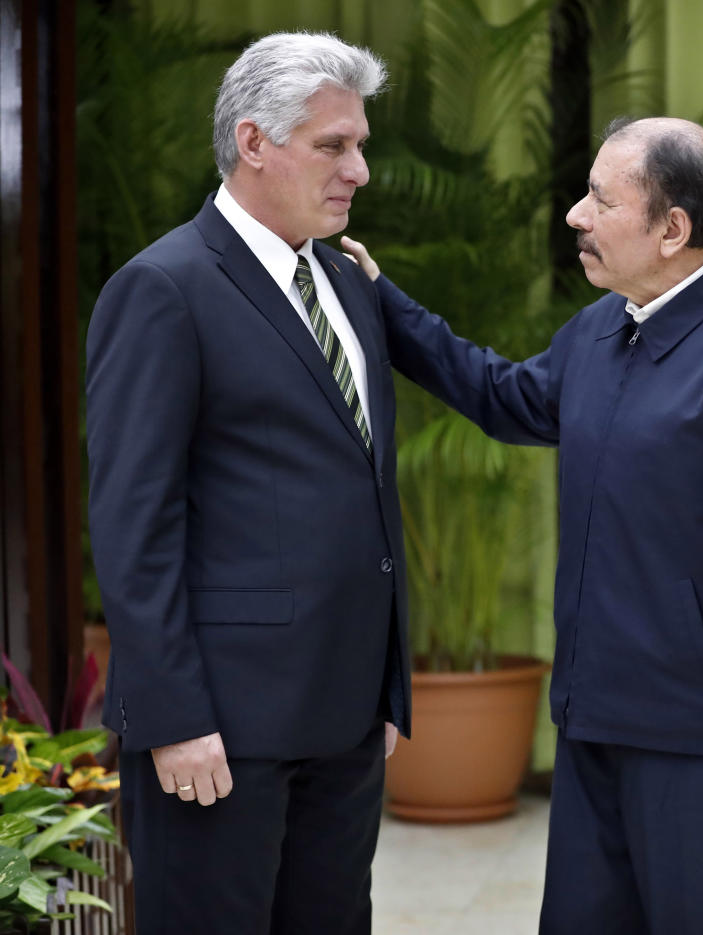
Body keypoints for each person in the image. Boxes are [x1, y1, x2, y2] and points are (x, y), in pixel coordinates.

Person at [342, 116, 703, 935]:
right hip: (593, 728)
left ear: (673, 228)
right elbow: (505, 397)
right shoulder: (603, 328)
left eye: (600, 199)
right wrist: (379, 303)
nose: (575, 214)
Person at [86, 32, 410, 935]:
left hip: (346, 724)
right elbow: (132, 521)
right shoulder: (161, 288)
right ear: (255, 141)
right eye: (334, 146)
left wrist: (388, 685)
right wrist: (172, 716)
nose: (361, 170)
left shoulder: (346, 283)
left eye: (361, 144)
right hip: (221, 731)